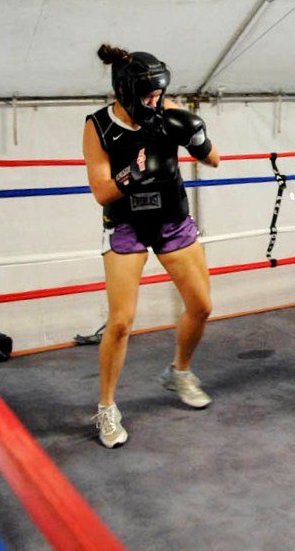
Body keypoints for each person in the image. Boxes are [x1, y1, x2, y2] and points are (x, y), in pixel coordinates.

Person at [83, 44, 220, 447]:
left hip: (171, 220)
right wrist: (134, 174)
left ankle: (179, 371)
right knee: (120, 322)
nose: (156, 101)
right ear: (125, 91)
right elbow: (101, 191)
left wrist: (197, 138)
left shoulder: (168, 110)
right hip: (126, 225)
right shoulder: (98, 125)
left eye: (160, 94)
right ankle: (107, 407)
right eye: (149, 95)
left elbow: (214, 160)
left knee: (202, 306)